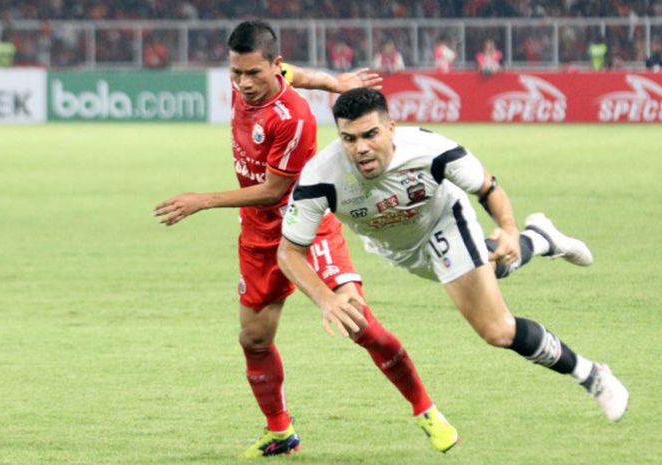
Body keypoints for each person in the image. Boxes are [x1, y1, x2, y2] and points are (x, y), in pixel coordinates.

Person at [154, 20, 453, 458]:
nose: (243, 83)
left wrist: (202, 199)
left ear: (274, 66)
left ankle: (425, 408)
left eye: (253, 73)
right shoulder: (257, 82)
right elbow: (301, 74)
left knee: (359, 325)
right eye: (235, 73)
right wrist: (335, 82)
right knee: (253, 339)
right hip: (258, 235)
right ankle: (280, 432)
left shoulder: (293, 117)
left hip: (307, 228)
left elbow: (275, 190)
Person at [277, 88, 630, 447]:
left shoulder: (430, 150)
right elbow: (289, 252)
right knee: (489, 272)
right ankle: (540, 238)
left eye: (370, 135)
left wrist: (508, 228)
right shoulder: (321, 176)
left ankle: (591, 374)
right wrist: (324, 298)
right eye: (349, 139)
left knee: (497, 329)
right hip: (398, 249)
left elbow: (488, 186)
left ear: (391, 129)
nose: (361, 148)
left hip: (443, 222)